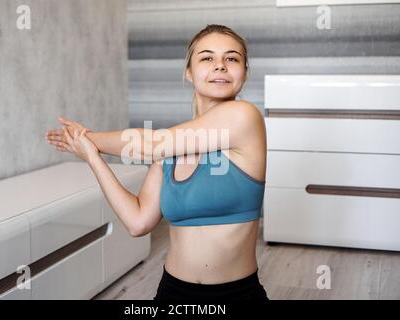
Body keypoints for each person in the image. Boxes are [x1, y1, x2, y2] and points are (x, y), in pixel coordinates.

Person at [46, 24, 268, 301]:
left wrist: (87, 136)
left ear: (244, 73)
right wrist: (92, 156)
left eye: (232, 58)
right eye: (207, 57)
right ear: (188, 72)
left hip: (236, 295)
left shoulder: (244, 117)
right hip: (172, 293)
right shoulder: (172, 145)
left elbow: (150, 145)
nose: (220, 66)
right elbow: (138, 222)